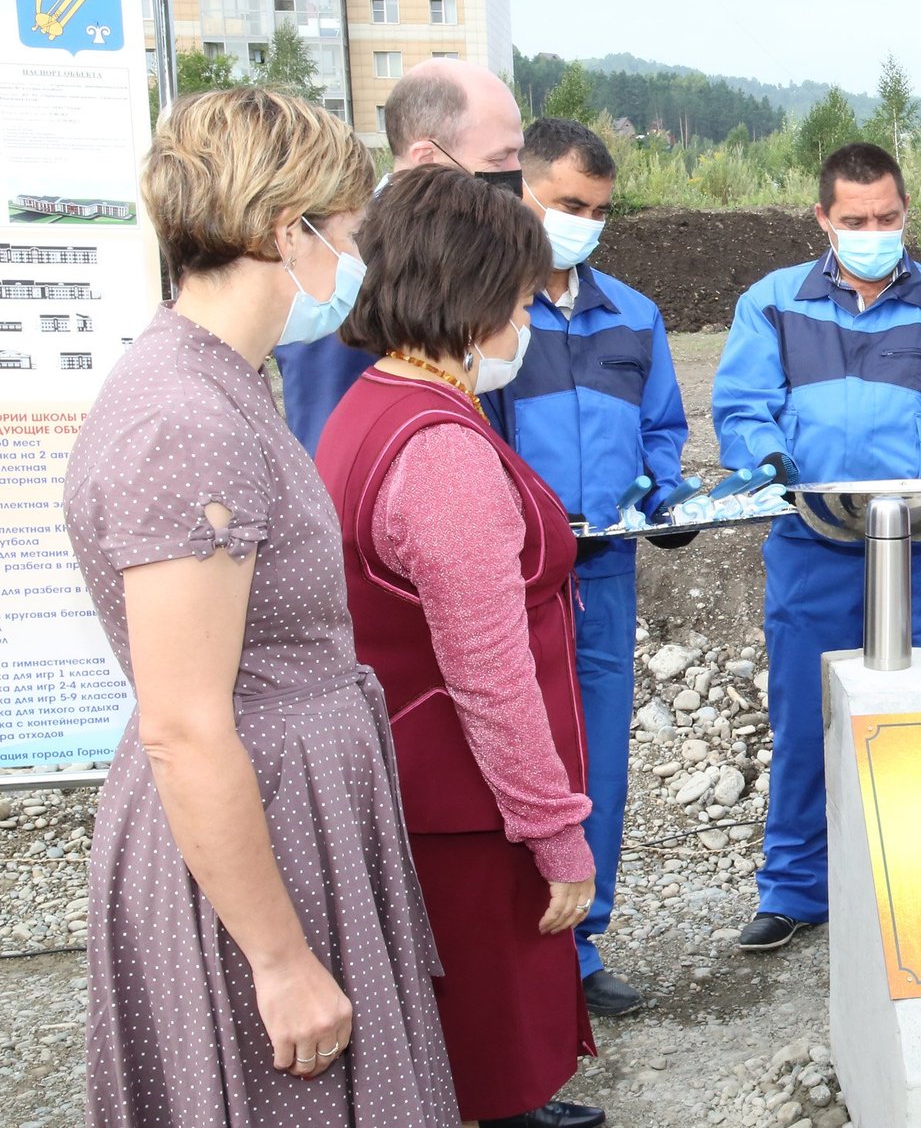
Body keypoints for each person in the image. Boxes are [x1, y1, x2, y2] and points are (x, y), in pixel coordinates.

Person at [62, 87, 457, 1125]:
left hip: (289, 810)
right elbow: (186, 726)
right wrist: (279, 959)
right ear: (290, 231)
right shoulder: (188, 419)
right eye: (351, 231)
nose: (359, 256)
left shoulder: (218, 381)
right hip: (256, 834)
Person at [316, 165, 605, 1128]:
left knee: (451, 1043)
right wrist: (556, 833)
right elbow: (490, 675)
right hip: (466, 811)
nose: (526, 321)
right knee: (482, 1050)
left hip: (418, 784)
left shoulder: (374, 404)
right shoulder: (440, 451)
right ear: (477, 296)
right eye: (521, 299)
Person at [712, 142, 921, 953]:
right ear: (822, 218)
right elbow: (744, 406)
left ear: (906, 215)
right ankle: (795, 888)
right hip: (812, 543)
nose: (872, 232)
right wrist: (766, 463)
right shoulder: (772, 303)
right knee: (805, 716)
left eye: (887, 218)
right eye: (854, 220)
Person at [485, 116, 692, 1017]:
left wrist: (669, 499)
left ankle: (579, 946)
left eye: (599, 210)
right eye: (569, 204)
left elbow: (660, 436)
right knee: (512, 754)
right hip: (507, 580)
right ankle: (505, 947)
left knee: (596, 759)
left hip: (602, 571)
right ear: (521, 192)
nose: (584, 221)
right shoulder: (485, 313)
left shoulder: (633, 317)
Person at [276, 57, 525, 456]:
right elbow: (331, 429)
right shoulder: (345, 259)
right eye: (498, 160)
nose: (517, 176)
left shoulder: (462, 246)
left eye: (518, 156)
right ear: (427, 159)